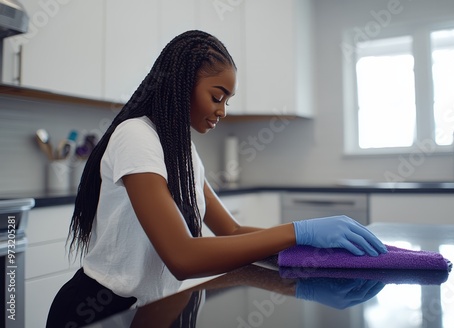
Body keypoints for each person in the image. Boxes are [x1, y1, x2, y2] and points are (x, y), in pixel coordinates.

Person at [46, 30, 387, 327]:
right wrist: (301, 230)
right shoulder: (136, 136)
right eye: (217, 95)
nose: (223, 110)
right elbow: (182, 256)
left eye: (227, 100)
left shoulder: (182, 152)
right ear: (182, 84)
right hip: (98, 312)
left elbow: (233, 232)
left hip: (152, 311)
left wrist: (311, 252)